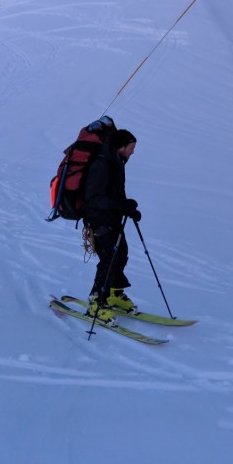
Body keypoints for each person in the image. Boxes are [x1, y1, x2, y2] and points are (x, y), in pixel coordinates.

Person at [83, 128, 142, 324]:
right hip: (98, 219)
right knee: (109, 260)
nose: (133, 152)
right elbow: (93, 199)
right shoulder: (101, 165)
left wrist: (127, 209)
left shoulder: (117, 163)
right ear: (121, 146)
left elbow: (116, 194)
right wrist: (120, 205)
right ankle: (95, 302)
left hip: (112, 218)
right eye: (131, 148)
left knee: (121, 254)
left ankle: (113, 295)